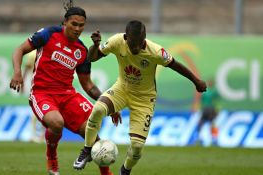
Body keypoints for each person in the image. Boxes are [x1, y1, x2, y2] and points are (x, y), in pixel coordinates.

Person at [73, 20, 207, 175]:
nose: (136, 47)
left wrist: (196, 81)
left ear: (144, 38)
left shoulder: (155, 51)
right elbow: (91, 58)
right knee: (97, 110)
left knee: (136, 147)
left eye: (139, 43)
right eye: (132, 44)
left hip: (144, 99)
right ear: (126, 37)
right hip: (122, 89)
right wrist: (96, 46)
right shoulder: (117, 41)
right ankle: (87, 150)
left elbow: (176, 65)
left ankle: (125, 170)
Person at [9, 6, 120, 175]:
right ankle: (51, 157)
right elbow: (20, 50)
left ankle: (105, 172)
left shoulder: (82, 50)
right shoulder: (48, 34)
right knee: (56, 123)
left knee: (91, 126)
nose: (77, 28)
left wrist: (109, 105)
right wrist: (17, 73)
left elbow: (88, 85)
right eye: (74, 24)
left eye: (81, 25)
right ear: (65, 22)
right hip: (42, 93)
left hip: (67, 94)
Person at [22, 50, 45, 143]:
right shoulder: (32, 54)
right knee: (36, 111)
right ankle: (34, 135)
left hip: (48, 86)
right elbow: (27, 68)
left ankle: (41, 136)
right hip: (37, 85)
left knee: (44, 112)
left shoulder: (51, 49)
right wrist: (22, 82)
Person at [197, 79, 220, 145]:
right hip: (205, 109)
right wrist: (200, 109)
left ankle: (214, 139)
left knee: (212, 124)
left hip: (210, 109)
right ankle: (199, 138)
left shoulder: (214, 91)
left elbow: (217, 101)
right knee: (201, 124)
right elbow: (201, 101)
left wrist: (217, 109)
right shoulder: (205, 92)